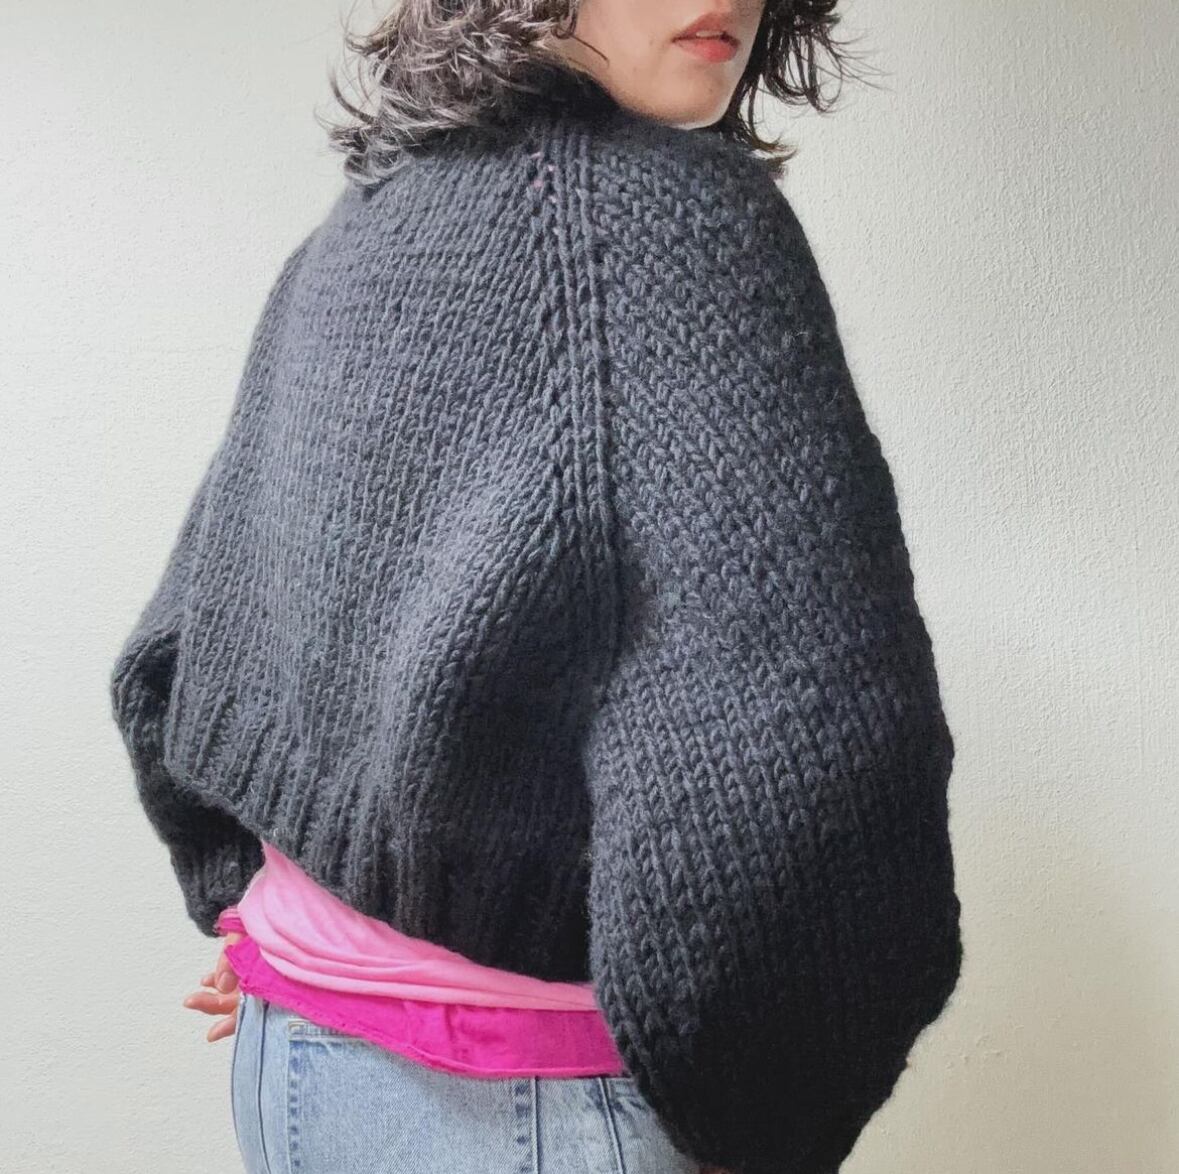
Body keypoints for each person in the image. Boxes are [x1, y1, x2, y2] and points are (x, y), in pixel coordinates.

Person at [109, 3, 964, 1173]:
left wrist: (252, 909)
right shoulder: (670, 225)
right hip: (543, 1105)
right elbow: (816, 763)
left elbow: (186, 639)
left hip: (290, 1062)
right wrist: (776, 1113)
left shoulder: (359, 223)